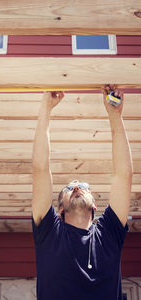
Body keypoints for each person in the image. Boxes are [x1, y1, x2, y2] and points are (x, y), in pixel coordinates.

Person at [31, 86, 133, 300]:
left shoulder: (108, 233)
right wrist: (46, 110)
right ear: (60, 209)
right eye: (69, 188)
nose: (76, 187)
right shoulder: (49, 232)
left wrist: (115, 116)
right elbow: (40, 169)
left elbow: (123, 175)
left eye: (83, 186)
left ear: (95, 205)